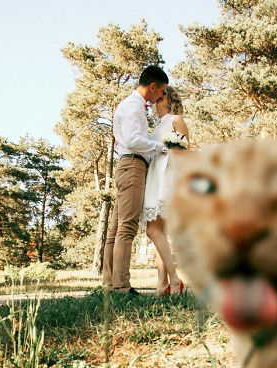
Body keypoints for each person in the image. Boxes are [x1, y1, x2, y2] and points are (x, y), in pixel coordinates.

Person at [103, 65, 168, 295]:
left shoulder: (133, 105)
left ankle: (110, 283)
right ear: (152, 86)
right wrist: (159, 147)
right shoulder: (133, 106)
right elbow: (132, 140)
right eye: (161, 91)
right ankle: (121, 286)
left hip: (127, 164)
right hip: (132, 165)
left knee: (116, 228)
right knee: (127, 227)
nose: (161, 96)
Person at [142, 86, 188, 296]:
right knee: (158, 232)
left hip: (167, 177)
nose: (158, 99)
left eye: (163, 96)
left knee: (153, 230)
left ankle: (175, 280)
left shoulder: (175, 119)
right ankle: (162, 285)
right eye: (157, 96)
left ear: (170, 100)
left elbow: (185, 152)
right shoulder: (156, 125)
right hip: (154, 176)